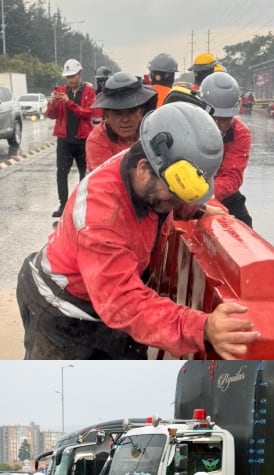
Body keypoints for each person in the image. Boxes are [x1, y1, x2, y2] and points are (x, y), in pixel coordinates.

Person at [16, 102, 260, 360]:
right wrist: (201, 328)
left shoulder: (148, 166)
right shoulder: (102, 216)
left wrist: (194, 210)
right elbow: (122, 303)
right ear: (144, 170)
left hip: (101, 295)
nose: (176, 204)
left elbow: (168, 194)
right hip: (61, 309)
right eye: (174, 196)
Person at [199, 72, 253, 228]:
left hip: (222, 193)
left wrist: (206, 195)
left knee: (244, 225)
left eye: (226, 119)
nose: (221, 125)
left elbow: (232, 176)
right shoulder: (188, 127)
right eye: (216, 119)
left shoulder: (240, 134)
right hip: (185, 188)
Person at [46, 59, 97, 218]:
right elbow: (51, 115)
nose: (70, 80)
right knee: (61, 173)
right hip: (65, 139)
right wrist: (52, 103)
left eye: (73, 76)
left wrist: (69, 103)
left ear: (80, 74)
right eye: (68, 77)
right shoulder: (61, 91)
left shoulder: (89, 92)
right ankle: (63, 204)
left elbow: (88, 113)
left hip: (83, 139)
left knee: (84, 173)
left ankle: (81, 204)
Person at [85, 72, 157, 169]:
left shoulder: (152, 132)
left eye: (131, 111)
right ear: (107, 116)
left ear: (141, 113)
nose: (125, 119)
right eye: (118, 113)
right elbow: (106, 179)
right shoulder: (97, 141)